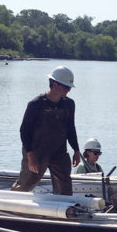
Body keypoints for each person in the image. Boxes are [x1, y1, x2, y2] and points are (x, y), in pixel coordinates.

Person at [11, 66, 83, 195]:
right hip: (37, 151)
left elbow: (70, 128)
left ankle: (64, 210)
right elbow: (24, 131)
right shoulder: (35, 104)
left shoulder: (69, 104)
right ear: (54, 84)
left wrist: (76, 150)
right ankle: (11, 203)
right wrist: (31, 156)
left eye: (70, 87)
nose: (69, 90)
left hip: (59, 151)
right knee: (26, 183)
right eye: (66, 87)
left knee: (65, 187)